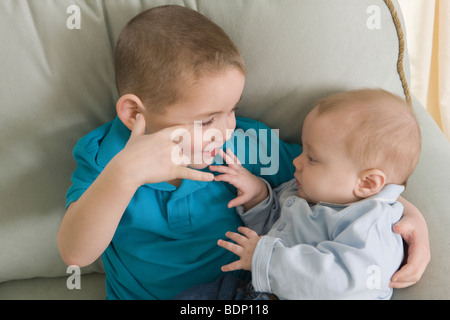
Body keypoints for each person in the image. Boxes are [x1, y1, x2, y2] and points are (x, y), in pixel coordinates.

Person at [57, 5, 428, 300]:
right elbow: (76, 253)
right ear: (135, 114)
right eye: (206, 121)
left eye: (231, 110)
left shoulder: (249, 144)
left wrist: (405, 212)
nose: (226, 130)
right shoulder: (107, 158)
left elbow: (336, 176)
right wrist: (125, 174)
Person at [175, 89, 424, 300]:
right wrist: (257, 196)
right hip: (256, 288)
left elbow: (342, 284)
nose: (296, 161)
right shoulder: (305, 191)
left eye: (311, 157)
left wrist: (265, 258)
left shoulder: (372, 223)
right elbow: (276, 228)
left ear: (367, 183)